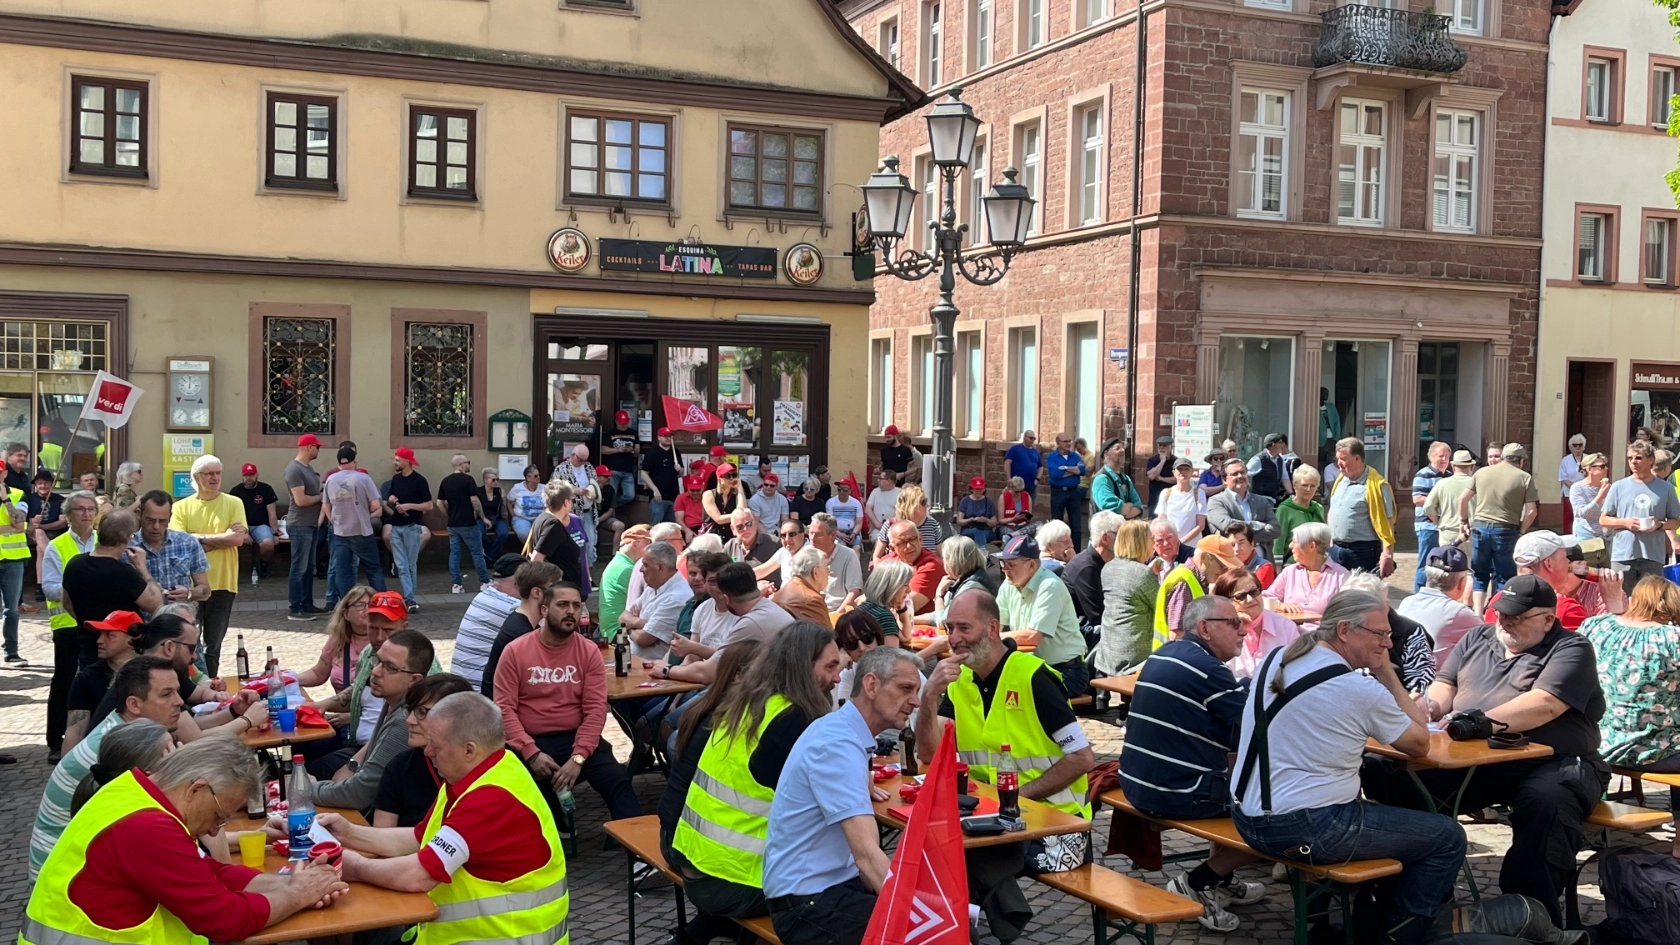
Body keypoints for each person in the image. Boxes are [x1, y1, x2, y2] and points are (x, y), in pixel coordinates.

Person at [1377, 574, 1610, 926]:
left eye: (1516, 617)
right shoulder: (1479, 636)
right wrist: (1434, 708)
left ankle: (1532, 914)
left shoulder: (1571, 647)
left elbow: (1545, 705)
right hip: (1481, 760)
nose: (1504, 621)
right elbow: (1446, 682)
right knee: (1401, 781)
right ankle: (1421, 901)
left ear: (1548, 619)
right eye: (1501, 613)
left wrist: (1476, 721)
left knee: (1546, 802)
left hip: (1555, 759)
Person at [1232, 589, 1461, 945]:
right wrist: (1385, 671)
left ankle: (1337, 923)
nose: (1387, 643)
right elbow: (1420, 742)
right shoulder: (1355, 687)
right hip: (1304, 827)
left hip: (1247, 817)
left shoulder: (1279, 657)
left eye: (1389, 635)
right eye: (1379, 635)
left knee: (1391, 824)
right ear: (1343, 630)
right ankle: (1397, 938)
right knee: (1446, 836)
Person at [26, 734, 348, 943]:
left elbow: (207, 871)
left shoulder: (135, 792)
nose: (213, 830)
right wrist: (296, 896)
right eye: (220, 816)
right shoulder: (151, 828)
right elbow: (223, 919)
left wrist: (290, 882)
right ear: (197, 789)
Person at [322, 692, 569, 945]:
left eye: (436, 746)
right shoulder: (492, 770)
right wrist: (348, 833)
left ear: (469, 750)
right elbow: (421, 837)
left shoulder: (488, 799)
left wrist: (354, 867)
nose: (427, 752)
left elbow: (418, 875)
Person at [672, 622, 842, 924]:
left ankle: (694, 935)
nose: (837, 677)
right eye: (830, 667)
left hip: (696, 861)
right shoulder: (795, 718)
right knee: (845, 887)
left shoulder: (750, 702)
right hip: (735, 877)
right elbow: (834, 802)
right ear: (803, 667)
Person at [916, 590, 1095, 868]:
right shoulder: (960, 680)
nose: (953, 638)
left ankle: (1008, 914)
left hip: (1060, 827)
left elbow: (1082, 758)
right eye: (949, 628)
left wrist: (1017, 796)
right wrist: (928, 696)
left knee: (975, 860)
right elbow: (929, 754)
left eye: (964, 628)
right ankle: (1000, 912)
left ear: (992, 629)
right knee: (933, 846)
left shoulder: (1033, 677)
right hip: (994, 820)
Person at [1119, 594, 1265, 930]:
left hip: (1137, 782)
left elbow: (1223, 729)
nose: (1243, 631)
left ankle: (1221, 880)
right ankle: (1198, 882)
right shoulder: (1208, 669)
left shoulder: (1166, 653)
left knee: (1231, 778)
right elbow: (1257, 725)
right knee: (1277, 814)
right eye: (1233, 623)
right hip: (1173, 792)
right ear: (1205, 628)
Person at [763, 646, 921, 945]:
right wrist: (918, 918)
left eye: (916, 690)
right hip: (807, 905)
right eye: (905, 689)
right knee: (931, 932)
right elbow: (867, 856)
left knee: (951, 917)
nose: (914, 700)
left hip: (827, 889)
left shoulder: (841, 732)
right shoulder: (837, 745)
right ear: (871, 685)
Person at [29, 655, 188, 880]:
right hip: (61, 878)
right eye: (166, 694)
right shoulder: (126, 747)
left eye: (177, 691)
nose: (179, 701)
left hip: (71, 863)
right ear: (134, 704)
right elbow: (169, 828)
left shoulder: (125, 729)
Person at [496, 580, 642, 820]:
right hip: (528, 740)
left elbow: (595, 710)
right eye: (562, 604)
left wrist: (578, 757)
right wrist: (531, 753)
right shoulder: (515, 651)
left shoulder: (588, 651)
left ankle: (637, 855)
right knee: (513, 796)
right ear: (544, 610)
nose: (571, 611)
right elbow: (504, 710)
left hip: (577, 738)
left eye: (576, 605)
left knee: (618, 781)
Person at [658, 639, 763, 945]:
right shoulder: (733, 723)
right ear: (741, 676)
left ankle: (700, 932)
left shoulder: (707, 708)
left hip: (675, 831)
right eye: (765, 674)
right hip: (684, 842)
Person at [309, 629, 435, 818]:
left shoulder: (404, 720)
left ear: (414, 680)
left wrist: (307, 788)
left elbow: (359, 795)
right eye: (378, 661)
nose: (375, 671)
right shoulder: (393, 702)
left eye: (390, 668)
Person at [62, 510, 164, 688]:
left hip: (87, 645)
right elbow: (156, 604)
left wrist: (89, 621)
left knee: (89, 697)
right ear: (127, 538)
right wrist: (142, 568)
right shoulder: (124, 573)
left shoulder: (75, 564)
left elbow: (67, 603)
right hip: (120, 655)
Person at [168, 455, 246, 675]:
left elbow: (237, 540)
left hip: (223, 583)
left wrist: (197, 538)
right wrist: (220, 538)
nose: (215, 477)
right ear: (196, 477)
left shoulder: (234, 502)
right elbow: (179, 543)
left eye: (218, 473)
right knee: (188, 640)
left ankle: (211, 683)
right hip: (190, 585)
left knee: (214, 644)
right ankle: (188, 683)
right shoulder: (181, 507)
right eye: (209, 473)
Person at [374, 673, 474, 828]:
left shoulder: (487, 767)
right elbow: (381, 835)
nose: (409, 721)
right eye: (410, 710)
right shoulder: (400, 766)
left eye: (422, 712)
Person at [42, 491, 99, 758]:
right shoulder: (58, 546)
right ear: (68, 515)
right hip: (67, 625)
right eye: (80, 509)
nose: (86, 514)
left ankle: (92, 737)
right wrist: (79, 589)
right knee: (65, 681)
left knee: (98, 679)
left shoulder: (103, 541)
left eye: (90, 509)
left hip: (101, 625)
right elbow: (50, 587)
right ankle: (56, 740)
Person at [1458, 442, 1543, 608]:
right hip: (1506, 529)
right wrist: (1522, 530)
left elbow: (1462, 499)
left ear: (1503, 457)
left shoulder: (1481, 473)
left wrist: (1463, 521)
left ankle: (1478, 614)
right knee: (1505, 575)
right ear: (1521, 461)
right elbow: (1532, 511)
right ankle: (1497, 613)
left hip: (1479, 528)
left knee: (1479, 574)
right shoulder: (1524, 477)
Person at [1489, 530, 1625, 629]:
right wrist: (1615, 605)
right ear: (1549, 564)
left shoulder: (1496, 601)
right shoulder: (1565, 609)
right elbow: (1606, 647)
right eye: (1564, 558)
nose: (1567, 563)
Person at [1600, 438, 1680, 595]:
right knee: (1621, 600)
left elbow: (1676, 522)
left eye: (1638, 458)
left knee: (1651, 601)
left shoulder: (1666, 489)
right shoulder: (1619, 486)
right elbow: (1604, 519)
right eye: (1630, 458)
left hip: (1653, 555)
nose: (1633, 462)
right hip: (1623, 554)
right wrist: (1625, 522)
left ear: (1650, 460)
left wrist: (1659, 525)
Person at [1340, 570, 1436, 694]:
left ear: (1385, 605)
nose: (1356, 614)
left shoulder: (1410, 632)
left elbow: (1420, 687)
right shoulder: (1342, 631)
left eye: (1364, 607)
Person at [478, 560, 563, 700]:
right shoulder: (521, 634)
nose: (562, 595)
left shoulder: (522, 622)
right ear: (537, 593)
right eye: (557, 590)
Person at [62, 610, 140, 751]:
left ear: (132, 639)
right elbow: (75, 732)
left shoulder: (154, 673)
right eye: (100, 634)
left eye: (109, 635)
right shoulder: (86, 678)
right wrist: (66, 770)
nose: (99, 640)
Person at [128, 490, 209, 621]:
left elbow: (205, 591)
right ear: (140, 514)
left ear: (170, 517)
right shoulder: (127, 547)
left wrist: (189, 592)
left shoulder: (187, 542)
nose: (156, 526)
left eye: (162, 521)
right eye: (150, 520)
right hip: (141, 628)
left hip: (179, 627)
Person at [321, 443, 386, 609]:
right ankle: (381, 604)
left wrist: (333, 520)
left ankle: (346, 606)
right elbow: (376, 504)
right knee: (374, 569)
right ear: (354, 460)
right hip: (361, 530)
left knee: (342, 571)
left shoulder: (330, 479)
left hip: (340, 532)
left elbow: (326, 505)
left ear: (339, 463)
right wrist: (366, 513)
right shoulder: (363, 478)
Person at [67, 717, 171, 818]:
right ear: (148, 772)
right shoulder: (140, 815)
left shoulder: (107, 795)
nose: (180, 751)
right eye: (171, 749)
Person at [1397, 546, 1483, 666]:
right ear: (1461, 582)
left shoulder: (1406, 602)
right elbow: (1492, 642)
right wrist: (1468, 603)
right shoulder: (1458, 612)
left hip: (1404, 676)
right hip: (1436, 681)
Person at [449, 554, 523, 691]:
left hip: (459, 686)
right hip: (479, 693)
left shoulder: (484, 595)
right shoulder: (512, 607)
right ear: (521, 581)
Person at [1154, 534, 1241, 649]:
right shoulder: (1183, 582)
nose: (1223, 573)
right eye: (1222, 566)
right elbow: (1178, 637)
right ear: (1205, 558)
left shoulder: (1192, 579)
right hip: (1177, 662)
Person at [1096, 520, 1159, 677]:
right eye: (1152, 538)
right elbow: (1162, 607)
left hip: (1108, 653)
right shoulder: (1142, 574)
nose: (1155, 542)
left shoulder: (1108, 567)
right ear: (1140, 542)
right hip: (1134, 658)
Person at [1217, 567, 1302, 682]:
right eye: (1241, 596)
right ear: (1226, 601)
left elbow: (1298, 671)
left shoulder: (1286, 627)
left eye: (1254, 592)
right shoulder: (1219, 631)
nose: (1250, 599)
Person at [1326, 437, 1396, 576]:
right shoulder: (1340, 481)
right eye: (1337, 459)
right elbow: (1333, 510)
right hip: (1336, 549)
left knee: (1360, 594)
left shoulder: (1377, 485)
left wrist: (1387, 555)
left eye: (1343, 459)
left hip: (1363, 550)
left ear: (1357, 458)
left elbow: (1388, 522)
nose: (1339, 464)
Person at [1263, 521, 1347, 629]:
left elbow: (1348, 614)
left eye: (1295, 541)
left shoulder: (1341, 576)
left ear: (1312, 546)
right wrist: (1280, 605)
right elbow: (1264, 598)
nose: (1290, 546)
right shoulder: (1289, 572)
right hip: (1288, 634)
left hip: (1323, 636)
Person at [299, 584, 377, 694]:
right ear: (346, 614)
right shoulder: (338, 639)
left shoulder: (382, 640)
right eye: (360, 605)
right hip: (340, 708)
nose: (367, 609)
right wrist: (288, 679)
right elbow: (318, 674)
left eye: (371, 605)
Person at [622, 541, 690, 659]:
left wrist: (628, 628)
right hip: (637, 663)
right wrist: (640, 623)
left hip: (655, 670)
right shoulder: (653, 587)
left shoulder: (676, 598)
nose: (641, 570)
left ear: (660, 567)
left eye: (646, 565)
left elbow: (643, 639)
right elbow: (622, 617)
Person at [384, 447, 433, 610]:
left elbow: (429, 505)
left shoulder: (420, 480)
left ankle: (410, 598)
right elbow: (390, 500)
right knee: (402, 565)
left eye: (398, 460)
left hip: (412, 527)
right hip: (396, 527)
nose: (394, 462)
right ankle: (409, 598)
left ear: (407, 461)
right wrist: (392, 500)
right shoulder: (395, 479)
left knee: (410, 564)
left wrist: (409, 506)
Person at [282, 433, 324, 616]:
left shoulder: (307, 468)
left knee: (308, 567)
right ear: (309, 447)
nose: (318, 450)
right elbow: (300, 500)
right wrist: (322, 497)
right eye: (317, 447)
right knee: (299, 567)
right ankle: (295, 607)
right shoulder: (294, 470)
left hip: (310, 524)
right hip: (300, 525)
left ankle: (306, 603)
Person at [436, 453, 488, 595]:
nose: (469, 465)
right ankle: (484, 581)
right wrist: (483, 517)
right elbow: (475, 501)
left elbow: (439, 503)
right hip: (468, 522)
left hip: (452, 524)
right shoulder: (468, 480)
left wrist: (449, 515)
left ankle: (456, 585)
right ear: (461, 464)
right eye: (468, 462)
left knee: (454, 554)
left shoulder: (445, 481)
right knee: (477, 552)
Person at [1206, 458, 1280, 557]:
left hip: (1261, 562)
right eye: (1235, 474)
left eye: (1242, 472)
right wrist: (1257, 525)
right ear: (1224, 479)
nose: (1240, 476)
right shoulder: (1216, 501)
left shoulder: (1261, 501)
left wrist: (1243, 539)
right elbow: (1226, 525)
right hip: (1230, 561)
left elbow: (1276, 529)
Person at [1063, 509, 1119, 636]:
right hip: (1076, 634)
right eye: (1121, 536)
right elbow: (1097, 616)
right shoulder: (1086, 568)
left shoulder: (1103, 561)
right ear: (1105, 538)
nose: (1126, 541)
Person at [880, 519, 946, 615]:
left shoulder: (932, 565)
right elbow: (870, 596)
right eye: (902, 542)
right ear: (892, 548)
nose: (909, 546)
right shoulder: (886, 562)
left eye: (912, 539)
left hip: (920, 626)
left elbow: (906, 609)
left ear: (920, 538)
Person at [600, 523, 652, 642]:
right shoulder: (626, 569)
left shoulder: (620, 562)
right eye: (649, 544)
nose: (652, 548)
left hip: (612, 631)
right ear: (635, 544)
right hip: (617, 634)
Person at [527, 482, 584, 588]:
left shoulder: (543, 517)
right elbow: (536, 560)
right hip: (560, 593)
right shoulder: (552, 524)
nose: (572, 502)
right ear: (566, 502)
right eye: (571, 499)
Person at [228, 462, 280, 580]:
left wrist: (275, 533)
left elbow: (272, 513)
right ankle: (232, 571)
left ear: (257, 475)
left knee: (268, 544)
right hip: (240, 525)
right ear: (242, 476)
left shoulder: (266, 489)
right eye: (246, 475)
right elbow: (231, 515)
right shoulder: (236, 491)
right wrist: (244, 533)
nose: (249, 478)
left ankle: (264, 562)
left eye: (251, 475)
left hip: (260, 525)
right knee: (226, 542)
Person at [1423, 449, 1479, 555]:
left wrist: (1438, 522)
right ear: (1472, 467)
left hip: (1448, 532)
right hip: (1472, 532)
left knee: (1449, 567)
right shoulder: (1478, 483)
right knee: (1471, 568)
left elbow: (1428, 507)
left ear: (1453, 467)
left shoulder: (1442, 484)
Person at [26, 468, 66, 616]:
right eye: (40, 483)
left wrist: (43, 525)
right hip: (32, 533)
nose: (43, 486)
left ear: (52, 484)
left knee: (41, 549)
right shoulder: (29, 499)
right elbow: (25, 522)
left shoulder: (60, 499)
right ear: (36, 484)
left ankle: (40, 585)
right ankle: (57, 561)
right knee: (38, 533)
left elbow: (62, 523)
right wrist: (32, 522)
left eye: (46, 483)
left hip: (54, 532)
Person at [1272, 463, 1324, 565]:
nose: (1308, 489)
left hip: (1316, 565)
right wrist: (1277, 567)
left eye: (1313, 485)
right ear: (1294, 485)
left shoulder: (1318, 508)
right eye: (1304, 485)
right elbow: (1278, 542)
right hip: (1293, 565)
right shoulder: (1285, 509)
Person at [810, 513, 864, 611]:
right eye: (811, 533)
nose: (812, 538)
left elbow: (854, 591)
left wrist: (836, 616)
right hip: (811, 612)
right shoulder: (806, 554)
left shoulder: (849, 555)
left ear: (833, 535)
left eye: (818, 534)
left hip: (838, 612)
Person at [1155, 455, 1209, 550]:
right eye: (1180, 469)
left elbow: (1200, 525)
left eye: (1186, 469)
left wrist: (1180, 543)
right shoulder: (1166, 493)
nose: (1183, 472)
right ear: (1174, 472)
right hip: (1170, 546)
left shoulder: (1199, 493)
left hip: (1191, 547)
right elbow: (1161, 521)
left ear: (1192, 471)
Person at [1045, 431, 1088, 547]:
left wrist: (1065, 468)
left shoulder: (1075, 456)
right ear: (1058, 443)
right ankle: (1057, 552)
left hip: (1073, 492)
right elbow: (1055, 474)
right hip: (1058, 492)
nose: (1068, 443)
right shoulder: (1052, 457)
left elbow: (1083, 471)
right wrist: (1074, 471)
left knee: (1076, 527)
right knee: (1056, 525)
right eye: (1065, 441)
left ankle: (1076, 554)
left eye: (1069, 441)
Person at [774, 545, 832, 626]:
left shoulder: (779, 594)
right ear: (815, 572)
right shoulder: (812, 600)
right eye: (826, 568)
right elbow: (827, 636)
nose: (829, 573)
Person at [724, 508, 783, 586]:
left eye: (748, 524)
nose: (745, 529)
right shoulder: (730, 546)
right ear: (733, 529)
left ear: (755, 523)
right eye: (739, 527)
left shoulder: (774, 544)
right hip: (739, 595)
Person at [1090, 437, 1144, 519]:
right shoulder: (1102, 479)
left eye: (1122, 447)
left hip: (1123, 530)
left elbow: (1139, 506)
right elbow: (1111, 508)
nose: (1122, 450)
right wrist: (1128, 506)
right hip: (1105, 530)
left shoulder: (1126, 478)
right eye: (1117, 448)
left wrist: (1125, 510)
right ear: (1106, 454)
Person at [640, 427, 682, 525]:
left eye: (670, 436)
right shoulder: (652, 453)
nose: (668, 438)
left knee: (671, 528)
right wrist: (655, 490)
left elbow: (681, 473)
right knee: (657, 527)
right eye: (665, 436)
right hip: (658, 498)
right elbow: (643, 474)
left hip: (674, 497)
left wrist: (680, 469)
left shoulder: (675, 452)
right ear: (659, 437)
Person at [602, 408, 640, 510]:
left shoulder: (633, 433)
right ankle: (611, 513)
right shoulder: (610, 433)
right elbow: (603, 450)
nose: (623, 425)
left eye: (625, 422)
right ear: (616, 422)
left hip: (628, 470)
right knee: (612, 493)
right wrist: (618, 450)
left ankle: (615, 507)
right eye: (621, 422)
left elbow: (637, 452)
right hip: (613, 469)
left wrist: (631, 450)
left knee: (630, 495)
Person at [1568, 452, 1612, 540]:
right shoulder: (1577, 488)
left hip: (1607, 536)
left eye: (1605, 465)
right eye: (1602, 466)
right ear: (1589, 469)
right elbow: (1584, 514)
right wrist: (1600, 497)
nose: (1606, 468)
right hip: (1586, 536)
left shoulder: (1607, 487)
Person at [1246, 432, 1295, 502]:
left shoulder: (1280, 459)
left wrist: (1291, 493)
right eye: (1280, 442)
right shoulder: (1258, 459)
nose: (1282, 445)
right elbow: (1244, 474)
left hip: (1272, 498)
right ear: (1273, 445)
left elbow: (1285, 478)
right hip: (1258, 499)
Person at [701, 461, 744, 543]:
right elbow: (719, 519)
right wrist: (737, 515)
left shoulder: (735, 496)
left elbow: (742, 510)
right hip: (712, 539)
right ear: (720, 479)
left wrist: (740, 489)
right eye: (728, 475)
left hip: (730, 538)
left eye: (734, 475)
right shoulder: (709, 495)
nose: (732, 478)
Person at [508, 464, 546, 546]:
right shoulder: (517, 488)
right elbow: (508, 501)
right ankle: (533, 551)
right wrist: (513, 516)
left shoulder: (544, 488)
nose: (539, 477)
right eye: (536, 476)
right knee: (524, 534)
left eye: (539, 475)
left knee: (547, 534)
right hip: (522, 518)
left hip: (540, 519)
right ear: (528, 478)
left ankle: (538, 552)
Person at [1558, 434, 1589, 534]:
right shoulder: (1566, 460)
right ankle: (1568, 538)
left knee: (1584, 515)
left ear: (1584, 446)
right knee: (1569, 516)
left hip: (1586, 493)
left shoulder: (1588, 459)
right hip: (1568, 492)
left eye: (1580, 445)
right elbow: (1563, 478)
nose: (1578, 447)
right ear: (1571, 447)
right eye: (1575, 445)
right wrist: (1575, 488)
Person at [956, 476, 999, 546]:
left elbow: (994, 522)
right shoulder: (965, 501)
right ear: (971, 489)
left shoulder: (989, 502)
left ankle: (979, 554)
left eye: (980, 489)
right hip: (969, 529)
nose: (978, 491)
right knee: (976, 532)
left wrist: (985, 520)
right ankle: (982, 553)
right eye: (976, 489)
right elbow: (959, 521)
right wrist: (970, 520)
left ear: (984, 489)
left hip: (985, 529)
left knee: (981, 534)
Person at [863, 467, 900, 547]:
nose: (878, 480)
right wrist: (877, 524)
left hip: (895, 529)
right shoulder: (875, 491)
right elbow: (868, 509)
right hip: (877, 529)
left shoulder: (900, 493)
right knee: (879, 542)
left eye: (880, 478)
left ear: (888, 481)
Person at [478, 467, 510, 559]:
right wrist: (483, 519)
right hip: (482, 518)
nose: (496, 481)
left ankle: (490, 555)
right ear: (485, 480)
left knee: (504, 533)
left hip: (497, 518)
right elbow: (476, 509)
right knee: (481, 533)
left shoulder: (500, 491)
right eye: (493, 479)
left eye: (497, 479)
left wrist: (506, 523)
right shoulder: (478, 491)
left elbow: (504, 509)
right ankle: (491, 553)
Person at [1003, 430, 1043, 503]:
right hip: (1016, 485)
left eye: (1034, 438)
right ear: (1025, 437)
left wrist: (1037, 479)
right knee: (1015, 505)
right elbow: (1007, 463)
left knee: (1029, 506)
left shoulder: (1035, 452)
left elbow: (1040, 467)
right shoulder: (1015, 449)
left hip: (1031, 485)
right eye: (1031, 438)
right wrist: (1008, 479)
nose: (1033, 440)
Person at [824, 478, 865, 547]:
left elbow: (859, 522)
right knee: (842, 546)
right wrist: (839, 534)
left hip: (852, 531)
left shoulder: (856, 503)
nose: (841, 491)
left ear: (850, 491)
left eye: (845, 489)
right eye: (839, 489)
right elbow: (829, 522)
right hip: (836, 531)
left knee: (857, 547)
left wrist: (854, 534)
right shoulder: (830, 502)